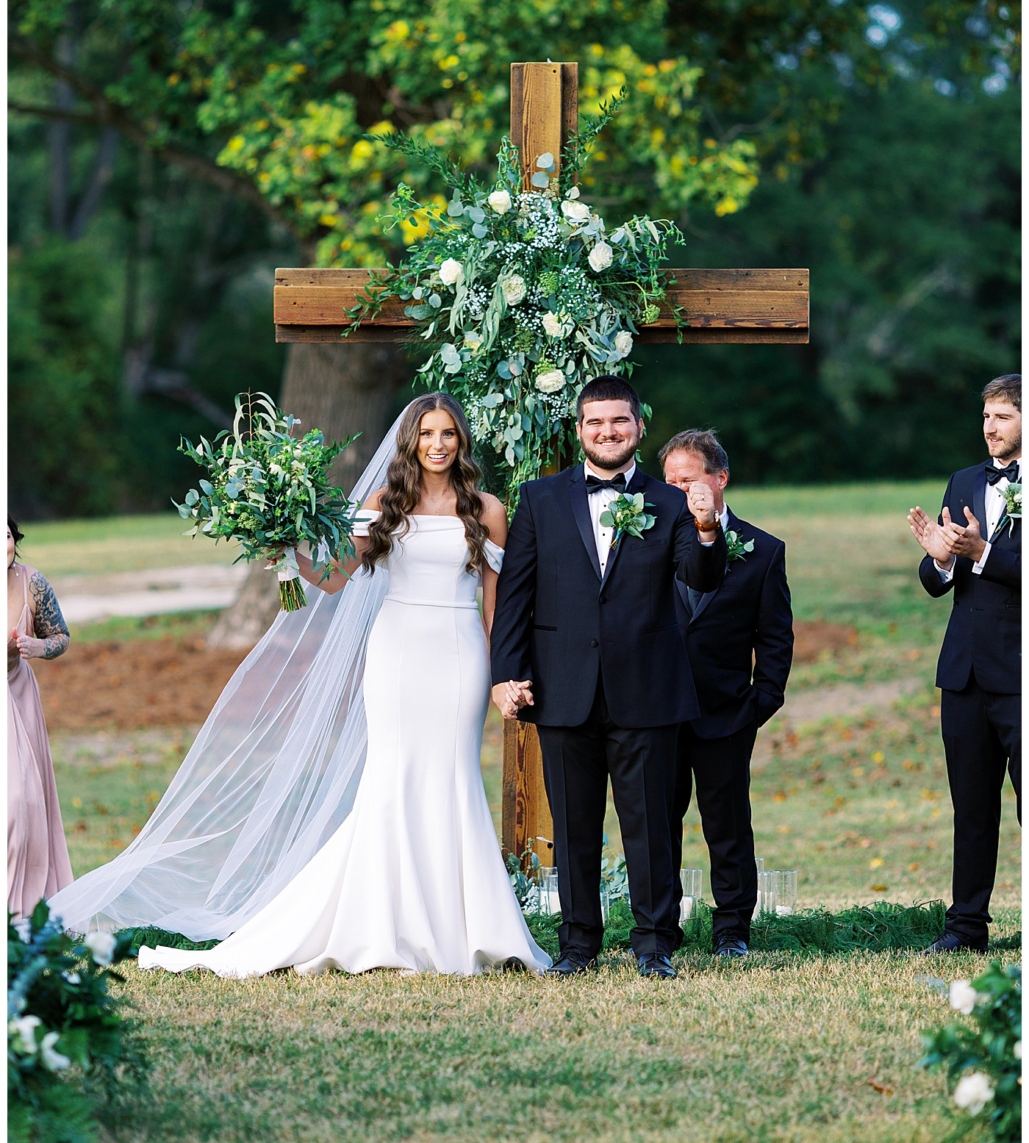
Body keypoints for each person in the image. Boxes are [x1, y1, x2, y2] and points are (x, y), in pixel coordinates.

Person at [137, 394, 550, 977]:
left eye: (448, 434)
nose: (437, 444)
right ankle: (377, 922)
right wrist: (287, 552)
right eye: (427, 433)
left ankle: (463, 927)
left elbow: (494, 607)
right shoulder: (387, 501)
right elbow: (333, 580)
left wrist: (502, 675)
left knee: (453, 776)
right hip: (397, 651)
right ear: (410, 441)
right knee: (391, 778)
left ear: (462, 441)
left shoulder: (487, 509)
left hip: (459, 656)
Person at [489, 376, 727, 979]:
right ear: (579, 430)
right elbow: (515, 596)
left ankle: (654, 945)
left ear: (638, 427)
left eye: (619, 421)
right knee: (573, 827)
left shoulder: (670, 502)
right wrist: (505, 675)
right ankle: (578, 946)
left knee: (649, 825)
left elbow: (700, 580)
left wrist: (706, 528)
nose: (608, 432)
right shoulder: (538, 500)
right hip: (562, 686)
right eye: (595, 422)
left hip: (646, 689)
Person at [661, 430, 793, 958]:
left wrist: (760, 703)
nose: (676, 491)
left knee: (729, 825)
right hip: (658, 709)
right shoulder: (648, 540)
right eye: (668, 482)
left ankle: (733, 929)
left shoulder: (763, 550)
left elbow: (775, 638)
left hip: (726, 712)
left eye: (687, 480)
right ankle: (659, 928)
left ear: (719, 480)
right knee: (657, 824)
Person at [908, 373, 1021, 954]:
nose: (989, 428)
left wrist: (982, 553)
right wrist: (944, 561)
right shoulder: (964, 480)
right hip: (965, 674)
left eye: (1002, 416)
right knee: (971, 809)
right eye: (985, 417)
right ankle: (966, 928)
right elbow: (935, 580)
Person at [8, 517, 74, 918]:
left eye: (8, 536)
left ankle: (20, 906)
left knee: (19, 803)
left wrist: (37, 646)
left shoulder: (34, 583)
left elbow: (61, 637)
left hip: (16, 697)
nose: (4, 544)